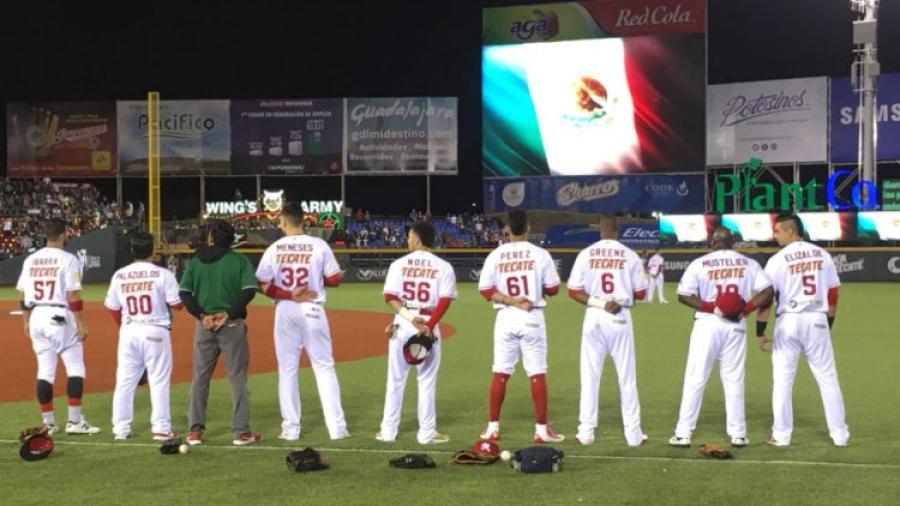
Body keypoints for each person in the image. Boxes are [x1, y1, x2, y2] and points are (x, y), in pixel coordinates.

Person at [667, 227, 774, 448]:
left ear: (712, 241)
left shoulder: (700, 263)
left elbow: (683, 295)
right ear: (732, 242)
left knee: (696, 378)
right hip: (735, 325)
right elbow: (767, 292)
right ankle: (738, 434)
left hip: (707, 324)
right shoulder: (748, 263)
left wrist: (712, 308)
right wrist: (745, 310)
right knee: (734, 379)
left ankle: (683, 433)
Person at [256, 201, 350, 441]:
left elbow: (263, 284)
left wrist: (288, 293)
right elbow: (336, 279)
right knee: (324, 367)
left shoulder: (275, 248)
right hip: (313, 308)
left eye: (280, 220)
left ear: (285, 221)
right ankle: (337, 429)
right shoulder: (318, 245)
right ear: (303, 220)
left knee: (287, 369)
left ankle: (290, 429)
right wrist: (317, 279)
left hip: (286, 309)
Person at [757, 214, 849, 447]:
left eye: (777, 230)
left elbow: (766, 299)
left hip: (788, 321)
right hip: (816, 318)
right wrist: (827, 325)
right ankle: (840, 435)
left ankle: (781, 435)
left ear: (791, 231)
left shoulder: (777, 260)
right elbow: (833, 294)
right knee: (828, 379)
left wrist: (760, 330)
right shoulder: (823, 254)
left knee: (782, 381)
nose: (774, 235)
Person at [477, 211, 563, 444]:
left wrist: (509, 300)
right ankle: (541, 430)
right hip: (532, 316)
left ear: (507, 229)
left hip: (505, 316)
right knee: (536, 373)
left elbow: (485, 291)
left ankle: (492, 428)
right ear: (527, 226)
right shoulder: (540, 254)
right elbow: (554, 289)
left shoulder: (496, 254)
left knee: (500, 373)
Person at [567, 215, 649, 446]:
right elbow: (641, 294)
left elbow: (573, 292)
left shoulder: (587, 253)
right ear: (617, 230)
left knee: (590, 378)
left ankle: (585, 433)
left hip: (594, 315)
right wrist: (620, 297)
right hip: (620, 316)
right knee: (627, 378)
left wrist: (600, 303)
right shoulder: (629, 254)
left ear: (600, 230)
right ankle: (633, 435)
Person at [179, 220, 261, 446]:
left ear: (211, 237)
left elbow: (185, 293)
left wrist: (202, 315)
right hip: (232, 326)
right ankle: (241, 432)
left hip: (204, 327)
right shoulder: (238, 260)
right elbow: (249, 290)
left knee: (200, 378)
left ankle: (195, 431)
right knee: (237, 378)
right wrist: (228, 314)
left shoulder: (196, 260)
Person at [16, 218, 101, 435]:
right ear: (63, 234)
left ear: (46, 235)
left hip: (37, 316)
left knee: (45, 371)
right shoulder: (68, 259)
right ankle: (74, 421)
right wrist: (81, 323)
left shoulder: (31, 260)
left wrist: (26, 321)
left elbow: (24, 296)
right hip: (59, 315)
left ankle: (49, 424)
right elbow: (73, 294)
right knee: (75, 368)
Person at [377, 221, 457, 445]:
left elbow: (389, 297)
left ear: (419, 239)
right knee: (426, 381)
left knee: (395, 380)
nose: (408, 239)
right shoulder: (443, 266)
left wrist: (410, 318)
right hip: (429, 324)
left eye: (410, 236)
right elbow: (445, 300)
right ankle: (426, 434)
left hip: (403, 321)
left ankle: (388, 432)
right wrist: (428, 325)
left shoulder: (399, 264)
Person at [104, 231, 183, 440]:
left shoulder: (120, 275)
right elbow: (177, 305)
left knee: (125, 381)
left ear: (132, 250)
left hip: (129, 330)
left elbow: (113, 307)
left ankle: (120, 429)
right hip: (155, 330)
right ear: (153, 250)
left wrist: (123, 326)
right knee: (159, 380)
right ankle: (161, 428)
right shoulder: (162, 274)